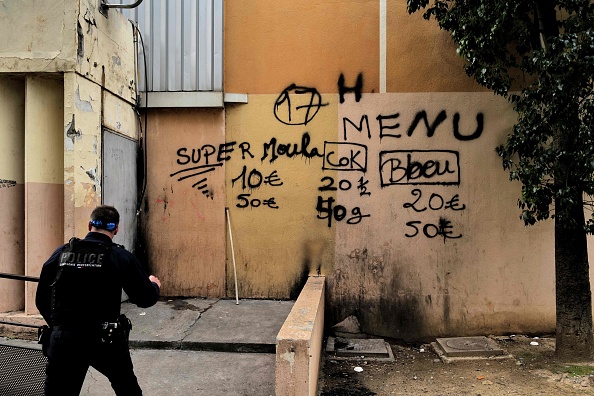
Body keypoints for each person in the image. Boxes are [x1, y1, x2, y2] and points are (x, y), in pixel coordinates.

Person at [35, 205, 161, 396]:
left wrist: (59, 326)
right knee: (127, 389)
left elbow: (41, 298)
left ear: (89, 225)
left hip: (65, 340)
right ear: (116, 229)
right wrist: (154, 285)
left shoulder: (62, 253)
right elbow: (145, 298)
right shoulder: (119, 256)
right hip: (105, 340)